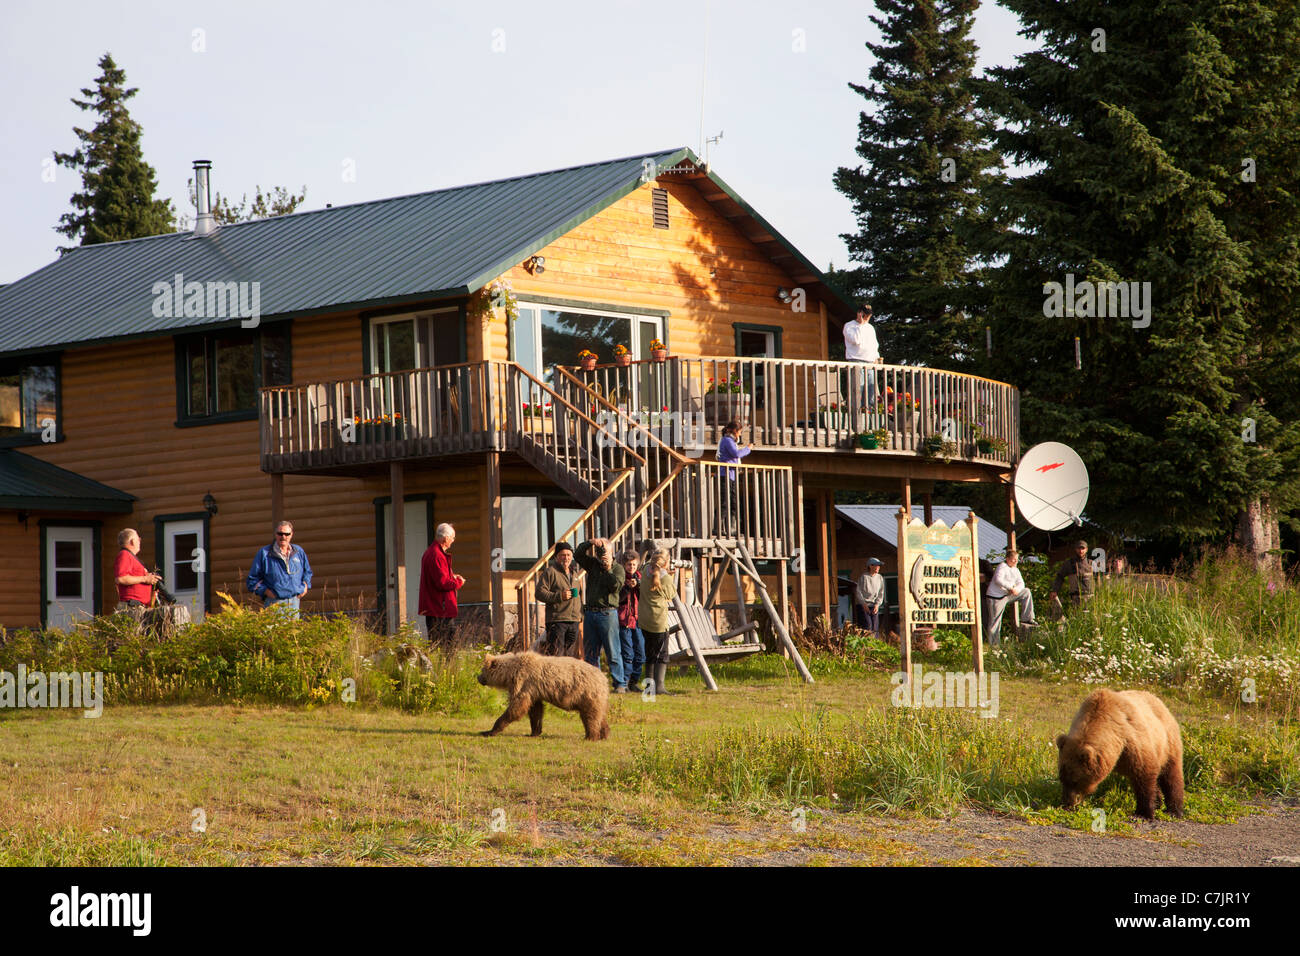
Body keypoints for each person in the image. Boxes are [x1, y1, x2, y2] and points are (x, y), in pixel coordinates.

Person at [576, 537, 626, 691]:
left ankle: (619, 684)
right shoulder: (593, 565)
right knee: (591, 652)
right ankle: (593, 684)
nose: (601, 553)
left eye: (604, 550)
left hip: (607, 614)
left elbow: (615, 587)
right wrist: (590, 542)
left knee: (613, 651)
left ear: (612, 552)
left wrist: (608, 568)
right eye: (599, 551)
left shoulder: (618, 569)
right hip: (590, 613)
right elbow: (578, 554)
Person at [247, 520, 312, 617]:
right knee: (274, 632)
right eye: (280, 534)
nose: (283, 537)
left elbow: (307, 572)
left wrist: (305, 586)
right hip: (274, 603)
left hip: (294, 603)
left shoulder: (298, 552)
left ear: (291, 534)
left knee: (293, 632)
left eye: (287, 534)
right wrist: (266, 592)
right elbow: (252, 580)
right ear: (275, 534)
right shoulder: (264, 553)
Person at [419, 522, 465, 648]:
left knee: (439, 644)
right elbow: (442, 583)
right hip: (439, 608)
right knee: (447, 645)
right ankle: (446, 667)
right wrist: (458, 582)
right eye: (453, 538)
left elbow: (439, 577)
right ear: (445, 538)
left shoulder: (432, 552)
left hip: (437, 607)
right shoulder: (436, 555)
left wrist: (452, 576)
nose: (453, 541)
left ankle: (442, 667)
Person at [639, 549, 677, 696]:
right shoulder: (665, 578)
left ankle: (649, 688)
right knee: (662, 654)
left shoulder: (644, 571)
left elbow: (650, 566)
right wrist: (668, 575)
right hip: (658, 621)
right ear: (666, 562)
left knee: (649, 653)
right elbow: (671, 594)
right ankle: (659, 687)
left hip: (644, 618)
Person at [535, 541, 581, 655]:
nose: (566, 558)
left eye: (569, 555)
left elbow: (578, 597)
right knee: (556, 655)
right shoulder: (550, 572)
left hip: (573, 621)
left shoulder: (574, 574)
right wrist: (559, 596)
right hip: (557, 621)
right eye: (562, 555)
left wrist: (581, 615)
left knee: (569, 656)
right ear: (556, 557)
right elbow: (539, 593)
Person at [843, 302, 882, 430]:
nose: (867, 318)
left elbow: (874, 345)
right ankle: (856, 423)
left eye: (868, 315)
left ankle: (870, 423)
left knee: (871, 393)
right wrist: (860, 325)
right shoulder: (849, 326)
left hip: (870, 363)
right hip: (856, 361)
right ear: (859, 313)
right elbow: (856, 341)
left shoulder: (870, 328)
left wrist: (877, 357)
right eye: (865, 315)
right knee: (857, 391)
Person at [986, 549, 1037, 645]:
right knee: (995, 621)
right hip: (996, 597)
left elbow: (1021, 583)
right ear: (1007, 559)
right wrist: (1010, 587)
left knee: (1026, 592)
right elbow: (998, 580)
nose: (1015, 561)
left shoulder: (1016, 570)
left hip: (1008, 595)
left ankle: (1028, 618)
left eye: (1017, 560)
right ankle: (994, 645)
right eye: (1013, 560)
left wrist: (1016, 589)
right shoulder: (1002, 566)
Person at [617, 550, 646, 690]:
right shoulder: (620, 578)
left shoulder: (640, 577)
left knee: (640, 654)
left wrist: (638, 584)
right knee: (627, 654)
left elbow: (645, 596)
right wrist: (628, 587)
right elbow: (617, 599)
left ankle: (634, 681)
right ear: (624, 565)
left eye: (634, 565)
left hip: (638, 620)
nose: (632, 567)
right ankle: (625, 682)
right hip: (624, 621)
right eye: (629, 565)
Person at [717, 420, 751, 533]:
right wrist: (748, 448)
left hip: (731, 475)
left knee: (733, 502)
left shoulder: (731, 440)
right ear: (735, 431)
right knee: (724, 502)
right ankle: (718, 527)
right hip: (725, 475)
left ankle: (732, 528)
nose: (740, 434)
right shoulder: (727, 440)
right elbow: (736, 454)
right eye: (740, 432)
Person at [114, 528, 160, 610]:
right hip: (132, 606)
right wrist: (145, 579)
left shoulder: (129, 556)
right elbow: (121, 578)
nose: (140, 541)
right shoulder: (124, 555)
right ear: (132, 541)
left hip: (138, 605)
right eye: (138, 539)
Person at [1049, 539, 1095, 613]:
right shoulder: (1069, 564)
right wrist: (1055, 590)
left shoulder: (1092, 564)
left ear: (1086, 549)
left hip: (1090, 599)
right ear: (1075, 549)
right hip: (1075, 600)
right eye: (1079, 548)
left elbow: (1101, 579)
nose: (1080, 551)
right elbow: (1060, 577)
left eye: (1083, 548)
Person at [855, 557, 885, 634]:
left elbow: (881, 593)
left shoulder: (880, 578)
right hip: (864, 605)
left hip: (874, 605)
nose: (878, 567)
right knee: (867, 626)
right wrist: (863, 604)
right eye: (876, 565)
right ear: (870, 566)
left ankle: (875, 644)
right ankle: (867, 644)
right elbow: (858, 592)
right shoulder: (864, 577)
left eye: (879, 566)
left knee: (875, 627)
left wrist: (877, 605)